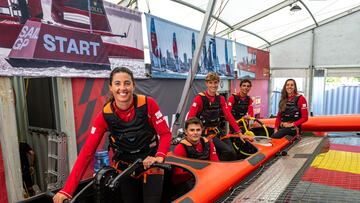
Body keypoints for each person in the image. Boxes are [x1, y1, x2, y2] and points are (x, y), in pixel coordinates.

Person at [53, 67, 171, 203]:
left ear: (133, 85)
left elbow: (165, 134)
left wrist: (159, 156)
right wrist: (66, 191)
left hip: (151, 166)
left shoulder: (148, 104)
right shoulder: (105, 116)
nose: (123, 88)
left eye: (127, 83)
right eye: (117, 83)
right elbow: (86, 153)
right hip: (125, 170)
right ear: (111, 87)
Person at [187, 72, 251, 161]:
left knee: (233, 154)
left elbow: (228, 116)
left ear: (218, 83)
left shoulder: (220, 98)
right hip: (205, 135)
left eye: (215, 82)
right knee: (227, 152)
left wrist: (239, 133)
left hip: (218, 133)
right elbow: (190, 119)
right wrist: (192, 136)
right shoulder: (199, 98)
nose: (213, 85)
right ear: (206, 83)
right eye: (211, 83)